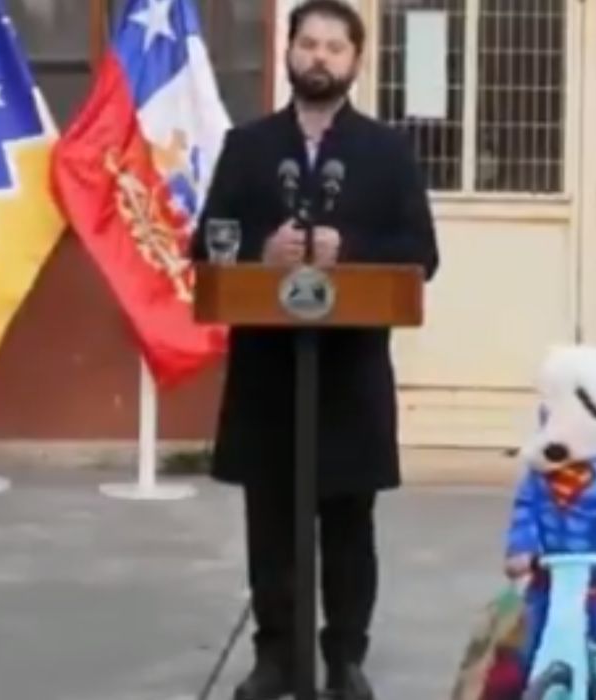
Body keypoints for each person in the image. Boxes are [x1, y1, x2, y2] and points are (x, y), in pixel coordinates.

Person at [190, 1, 439, 697]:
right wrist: (256, 251)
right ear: (290, 53)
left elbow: (422, 252)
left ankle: (345, 657)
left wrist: (349, 250)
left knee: (349, 523)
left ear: (356, 61)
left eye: (335, 46)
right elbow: (204, 242)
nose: (321, 57)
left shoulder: (386, 152)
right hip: (270, 373)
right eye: (309, 44)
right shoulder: (249, 146)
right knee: (271, 520)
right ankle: (275, 655)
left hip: (349, 372)